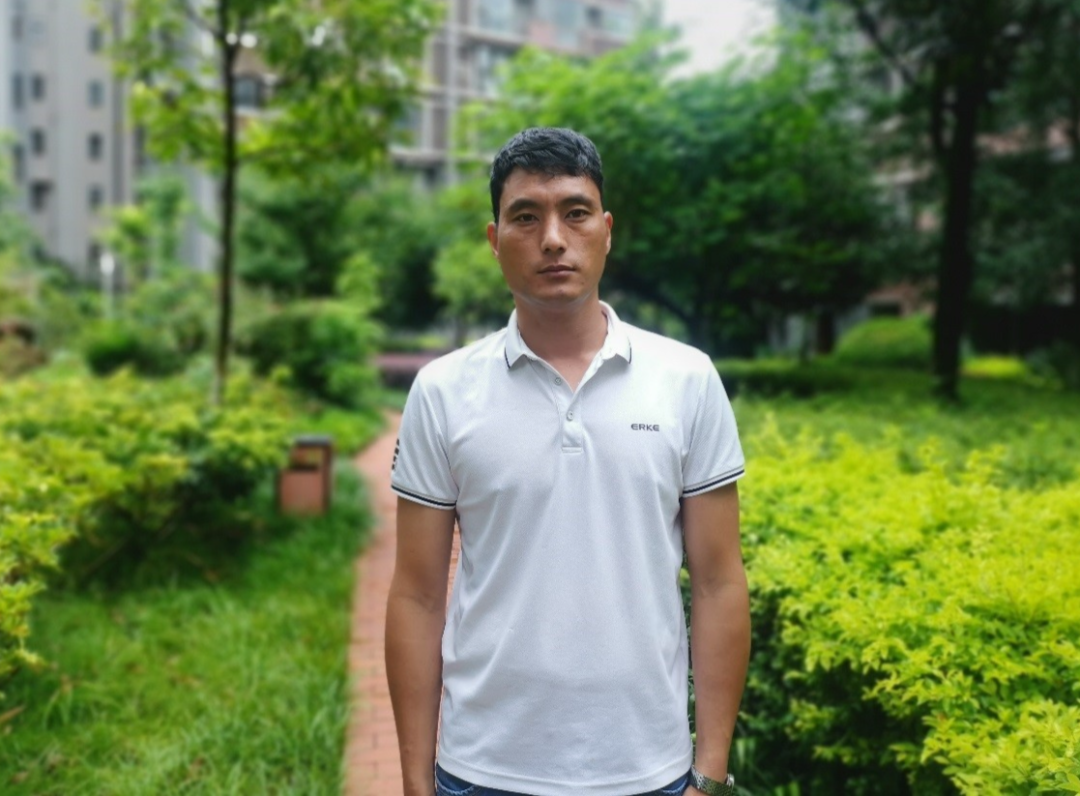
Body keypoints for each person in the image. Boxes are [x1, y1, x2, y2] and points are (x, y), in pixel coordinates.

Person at [385, 127, 750, 796]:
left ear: (606, 231)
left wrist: (711, 773)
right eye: (526, 216)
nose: (553, 238)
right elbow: (416, 594)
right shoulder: (443, 391)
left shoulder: (687, 379)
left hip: (649, 771)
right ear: (495, 239)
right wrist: (414, 783)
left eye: (575, 212)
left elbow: (719, 582)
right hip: (482, 768)